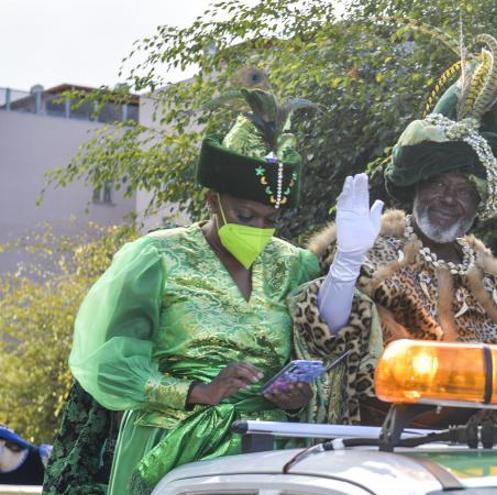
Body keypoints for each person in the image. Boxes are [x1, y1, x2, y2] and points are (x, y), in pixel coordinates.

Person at [288, 14, 497, 427]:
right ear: (416, 185)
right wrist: (346, 266)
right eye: (437, 183)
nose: (449, 198)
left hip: (486, 465)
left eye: (464, 189)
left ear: (480, 202)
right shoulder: (371, 250)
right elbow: (323, 337)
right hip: (379, 454)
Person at [65, 89, 324, 494]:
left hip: (265, 451)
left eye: (270, 219)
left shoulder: (295, 265)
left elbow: (316, 352)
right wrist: (195, 392)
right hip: (172, 450)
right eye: (244, 215)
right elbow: (105, 363)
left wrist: (296, 396)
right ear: (211, 200)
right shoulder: (156, 257)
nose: (258, 229)